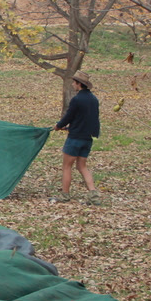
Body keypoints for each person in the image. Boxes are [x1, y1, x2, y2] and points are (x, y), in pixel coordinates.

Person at [52, 70, 101, 204]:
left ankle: (65, 195)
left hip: (75, 139)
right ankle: (93, 195)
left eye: (74, 82)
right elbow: (89, 119)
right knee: (82, 166)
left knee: (67, 166)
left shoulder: (77, 99)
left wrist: (58, 126)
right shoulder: (94, 99)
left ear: (79, 84)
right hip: (87, 138)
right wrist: (69, 127)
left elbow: (69, 116)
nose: (73, 84)